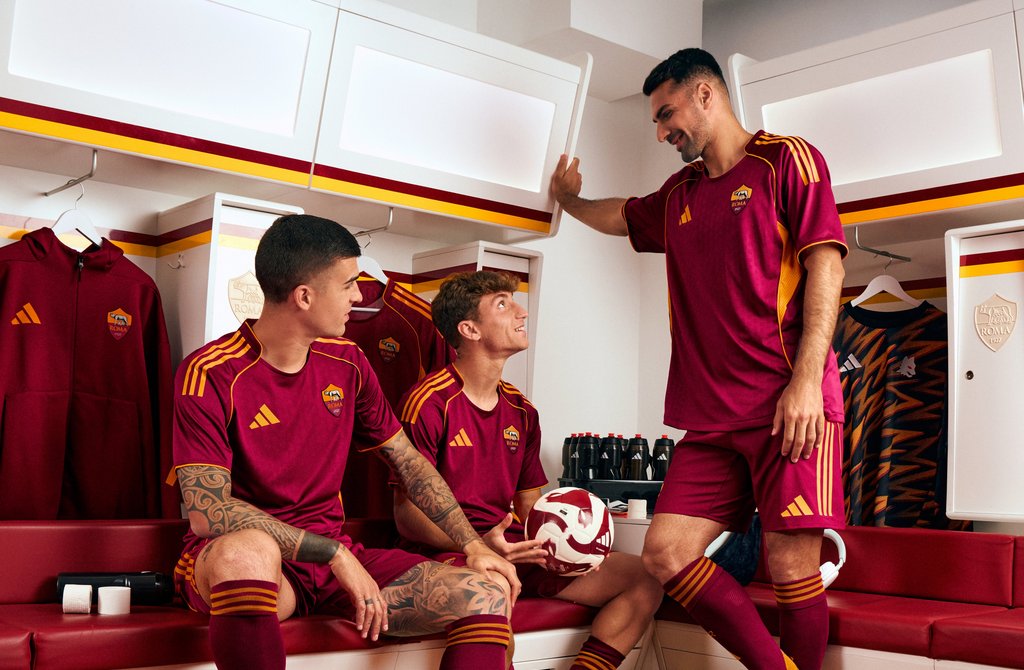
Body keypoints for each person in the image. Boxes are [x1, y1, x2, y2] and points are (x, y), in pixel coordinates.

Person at [549, 48, 847, 670]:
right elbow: (621, 215)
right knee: (665, 552)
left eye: (667, 114)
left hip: (787, 404)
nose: (662, 132)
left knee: (791, 564)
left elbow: (827, 266)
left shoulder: (786, 160)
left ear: (705, 94)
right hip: (710, 418)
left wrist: (804, 384)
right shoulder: (678, 194)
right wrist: (570, 202)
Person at [170, 214, 521, 670]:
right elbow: (207, 511)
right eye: (349, 284)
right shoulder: (211, 371)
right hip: (252, 567)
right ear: (304, 297)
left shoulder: (348, 361)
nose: (359, 296)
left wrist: (472, 545)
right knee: (248, 552)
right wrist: (332, 553)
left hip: (333, 560)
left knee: (485, 592)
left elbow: (408, 462)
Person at [393, 270, 664, 670]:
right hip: (447, 552)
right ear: (469, 329)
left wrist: (569, 547)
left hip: (512, 546)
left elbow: (529, 505)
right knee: (495, 586)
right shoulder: (428, 403)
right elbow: (406, 515)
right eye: (503, 304)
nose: (521, 312)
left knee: (644, 576)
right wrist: (478, 545)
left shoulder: (522, 411)